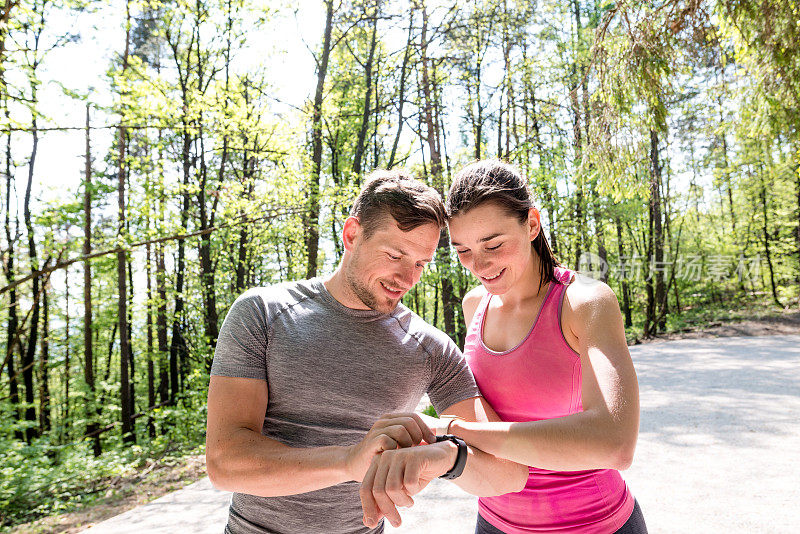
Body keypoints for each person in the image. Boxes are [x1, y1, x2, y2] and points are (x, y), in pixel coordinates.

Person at [205, 169, 527, 534]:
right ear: (352, 234)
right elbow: (224, 461)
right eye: (394, 255)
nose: (407, 278)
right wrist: (348, 462)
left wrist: (447, 457)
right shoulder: (261, 313)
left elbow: (510, 474)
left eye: (420, 264)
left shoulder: (430, 349)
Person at [360, 160, 647, 533]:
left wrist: (451, 430)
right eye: (463, 250)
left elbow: (616, 443)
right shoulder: (474, 305)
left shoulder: (584, 303)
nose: (480, 265)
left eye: (493, 244)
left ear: (531, 223)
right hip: (495, 524)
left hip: (596, 524)